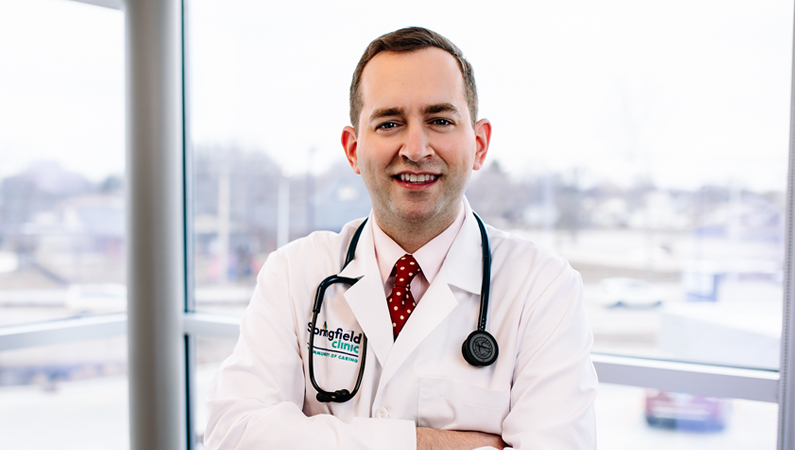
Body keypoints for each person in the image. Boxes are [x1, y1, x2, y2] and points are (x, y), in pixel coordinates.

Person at [205, 26, 597, 450]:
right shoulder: (293, 273)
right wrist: (427, 443)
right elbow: (233, 435)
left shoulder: (543, 287)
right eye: (390, 123)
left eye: (440, 120)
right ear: (353, 149)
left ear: (480, 144)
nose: (415, 147)